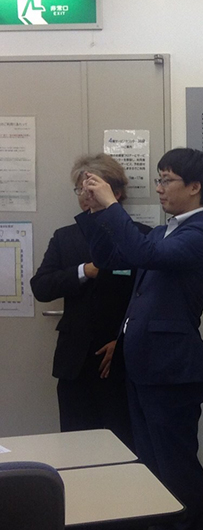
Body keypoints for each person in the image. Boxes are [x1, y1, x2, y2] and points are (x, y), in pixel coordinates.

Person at [77, 148, 203, 530]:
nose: (159, 188)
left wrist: (113, 205)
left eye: (167, 180)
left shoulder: (201, 235)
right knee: (153, 467)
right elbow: (110, 258)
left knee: (176, 469)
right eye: (159, 179)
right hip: (145, 366)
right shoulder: (163, 232)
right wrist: (96, 211)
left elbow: (144, 252)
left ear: (194, 187)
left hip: (172, 370)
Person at [30, 154, 149, 450]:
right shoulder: (65, 238)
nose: (85, 195)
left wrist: (122, 341)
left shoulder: (140, 237)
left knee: (123, 444)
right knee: (76, 445)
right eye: (80, 189)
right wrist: (84, 271)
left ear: (116, 192)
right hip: (75, 362)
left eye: (93, 187)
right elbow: (41, 287)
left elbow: (150, 300)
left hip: (121, 359)